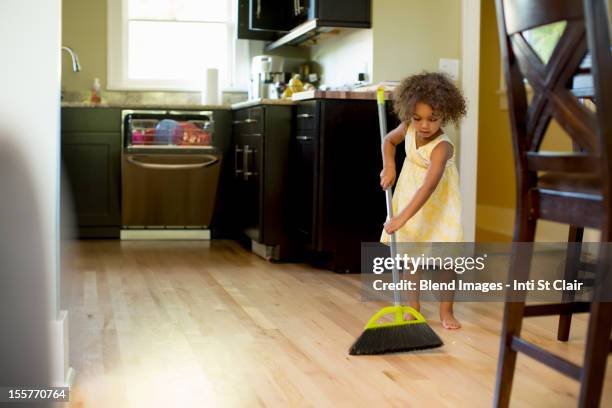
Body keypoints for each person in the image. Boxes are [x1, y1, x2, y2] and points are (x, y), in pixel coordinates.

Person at [380, 72, 467, 329]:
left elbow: (429, 187)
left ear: (446, 115)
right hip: (409, 194)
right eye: (417, 118)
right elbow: (389, 141)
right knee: (411, 256)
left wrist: (401, 218)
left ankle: (446, 310)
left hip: (439, 206)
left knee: (446, 258)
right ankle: (412, 306)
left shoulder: (443, 147)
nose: (425, 125)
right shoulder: (407, 128)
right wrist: (389, 167)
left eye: (433, 118)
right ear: (409, 114)